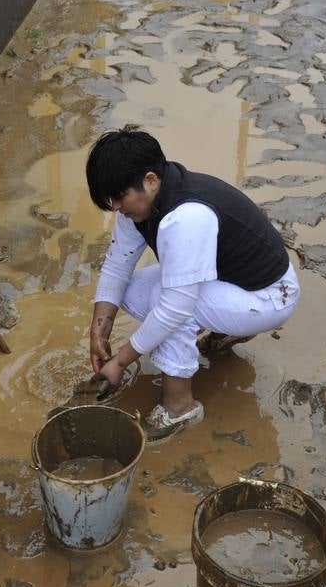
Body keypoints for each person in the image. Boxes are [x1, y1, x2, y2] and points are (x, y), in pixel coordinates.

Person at [86, 126, 300, 441]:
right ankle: (226, 329)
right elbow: (118, 264)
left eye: (119, 198)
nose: (116, 208)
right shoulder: (144, 200)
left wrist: (120, 361)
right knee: (133, 291)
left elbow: (174, 309)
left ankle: (179, 407)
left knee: (169, 303)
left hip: (268, 296)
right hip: (230, 280)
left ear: (150, 180)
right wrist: (98, 331)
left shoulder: (186, 217)